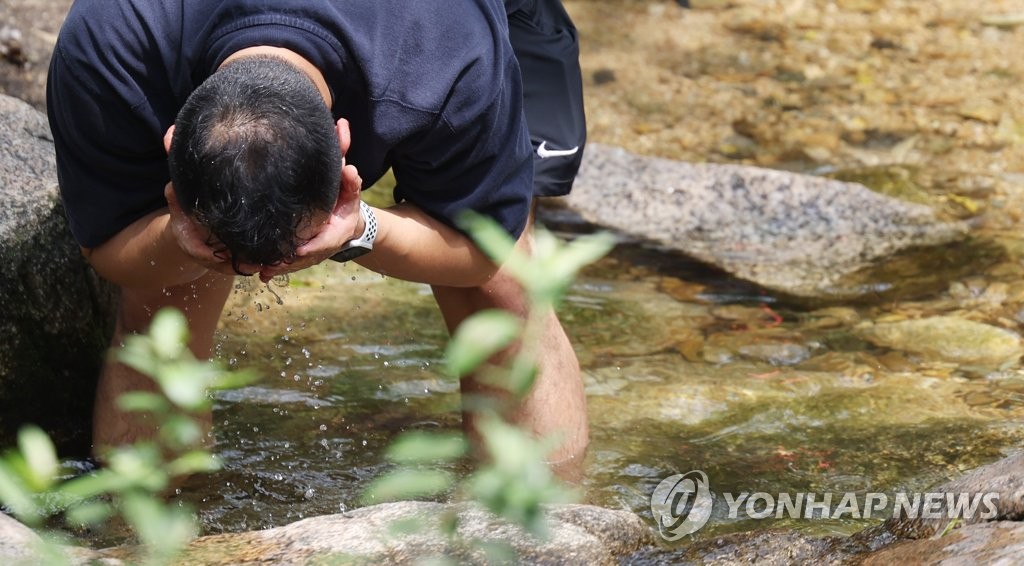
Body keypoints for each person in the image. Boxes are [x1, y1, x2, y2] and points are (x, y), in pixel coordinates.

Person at [46, 0, 589, 468]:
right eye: (225, 250)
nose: (257, 273)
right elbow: (109, 248)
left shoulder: (451, 60)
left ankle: (545, 537)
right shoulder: (109, 54)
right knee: (162, 307)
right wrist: (177, 241)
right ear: (171, 143)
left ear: (345, 140)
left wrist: (361, 231)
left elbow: (480, 253)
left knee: (506, 296)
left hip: (457, 27)